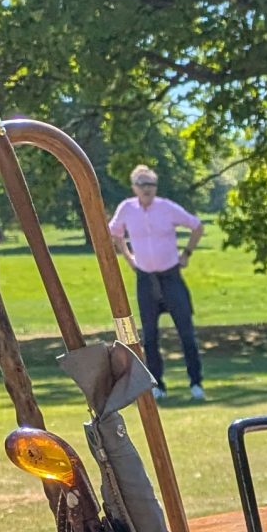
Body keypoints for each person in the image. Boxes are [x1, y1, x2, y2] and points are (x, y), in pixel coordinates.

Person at [108, 164, 206, 401]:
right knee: (150, 336)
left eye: (151, 184)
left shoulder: (166, 207)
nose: (147, 189)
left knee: (186, 333)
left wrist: (186, 254)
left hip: (171, 276)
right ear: (134, 187)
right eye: (142, 184)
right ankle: (157, 385)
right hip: (146, 278)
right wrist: (128, 256)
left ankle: (196, 383)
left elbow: (197, 226)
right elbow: (114, 233)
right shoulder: (127, 208)